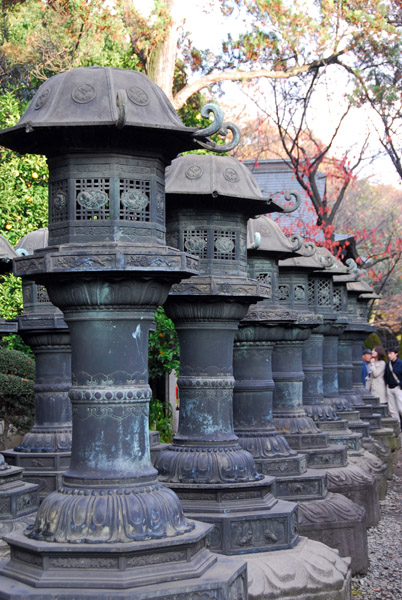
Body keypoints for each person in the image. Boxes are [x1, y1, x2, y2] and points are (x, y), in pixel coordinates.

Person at [384, 347, 402, 420]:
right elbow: (386, 375)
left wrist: (400, 385)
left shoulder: (400, 363)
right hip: (390, 388)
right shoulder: (388, 364)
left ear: (396, 354)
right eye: (388, 353)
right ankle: (397, 427)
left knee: (401, 408)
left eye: (391, 353)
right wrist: (387, 384)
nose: (389, 355)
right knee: (392, 410)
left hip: (398, 388)